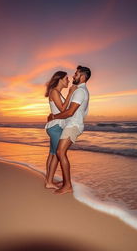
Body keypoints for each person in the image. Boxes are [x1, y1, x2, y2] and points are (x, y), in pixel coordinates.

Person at [47, 65, 91, 194]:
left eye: (76, 74)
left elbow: (70, 112)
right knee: (58, 153)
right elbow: (66, 110)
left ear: (82, 77)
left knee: (59, 152)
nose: (73, 76)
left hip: (73, 125)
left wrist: (54, 116)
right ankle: (65, 183)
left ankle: (67, 185)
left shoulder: (80, 91)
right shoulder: (78, 90)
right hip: (68, 125)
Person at [44, 71, 77, 189]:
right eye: (66, 79)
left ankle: (49, 180)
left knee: (53, 154)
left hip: (55, 126)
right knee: (57, 155)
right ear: (60, 80)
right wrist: (70, 93)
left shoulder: (56, 93)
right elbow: (63, 109)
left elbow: (59, 110)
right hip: (56, 127)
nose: (68, 81)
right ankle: (49, 182)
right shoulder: (54, 92)